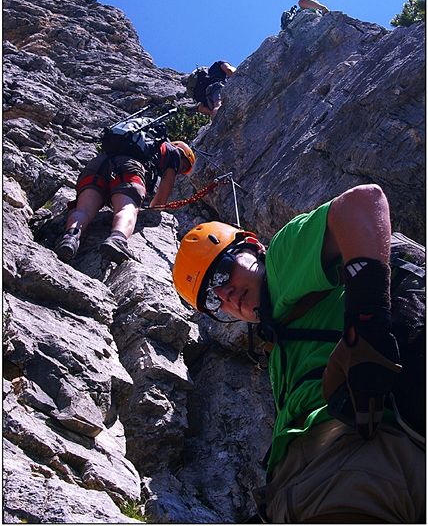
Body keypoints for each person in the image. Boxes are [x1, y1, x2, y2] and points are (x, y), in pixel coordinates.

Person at [172, 184, 425, 523]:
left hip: (351, 461)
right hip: (329, 476)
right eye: (213, 300)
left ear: (254, 247)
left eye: (222, 272)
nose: (227, 294)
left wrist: (367, 325)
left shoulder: (280, 262)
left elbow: (364, 202)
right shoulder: (278, 345)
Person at [56, 140, 195, 264]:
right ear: (182, 153)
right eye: (183, 167)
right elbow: (164, 190)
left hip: (98, 164)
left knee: (83, 210)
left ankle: (70, 238)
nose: (180, 171)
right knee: (127, 208)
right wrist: (153, 211)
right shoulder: (174, 153)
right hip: (128, 168)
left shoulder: (136, 140)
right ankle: (117, 239)